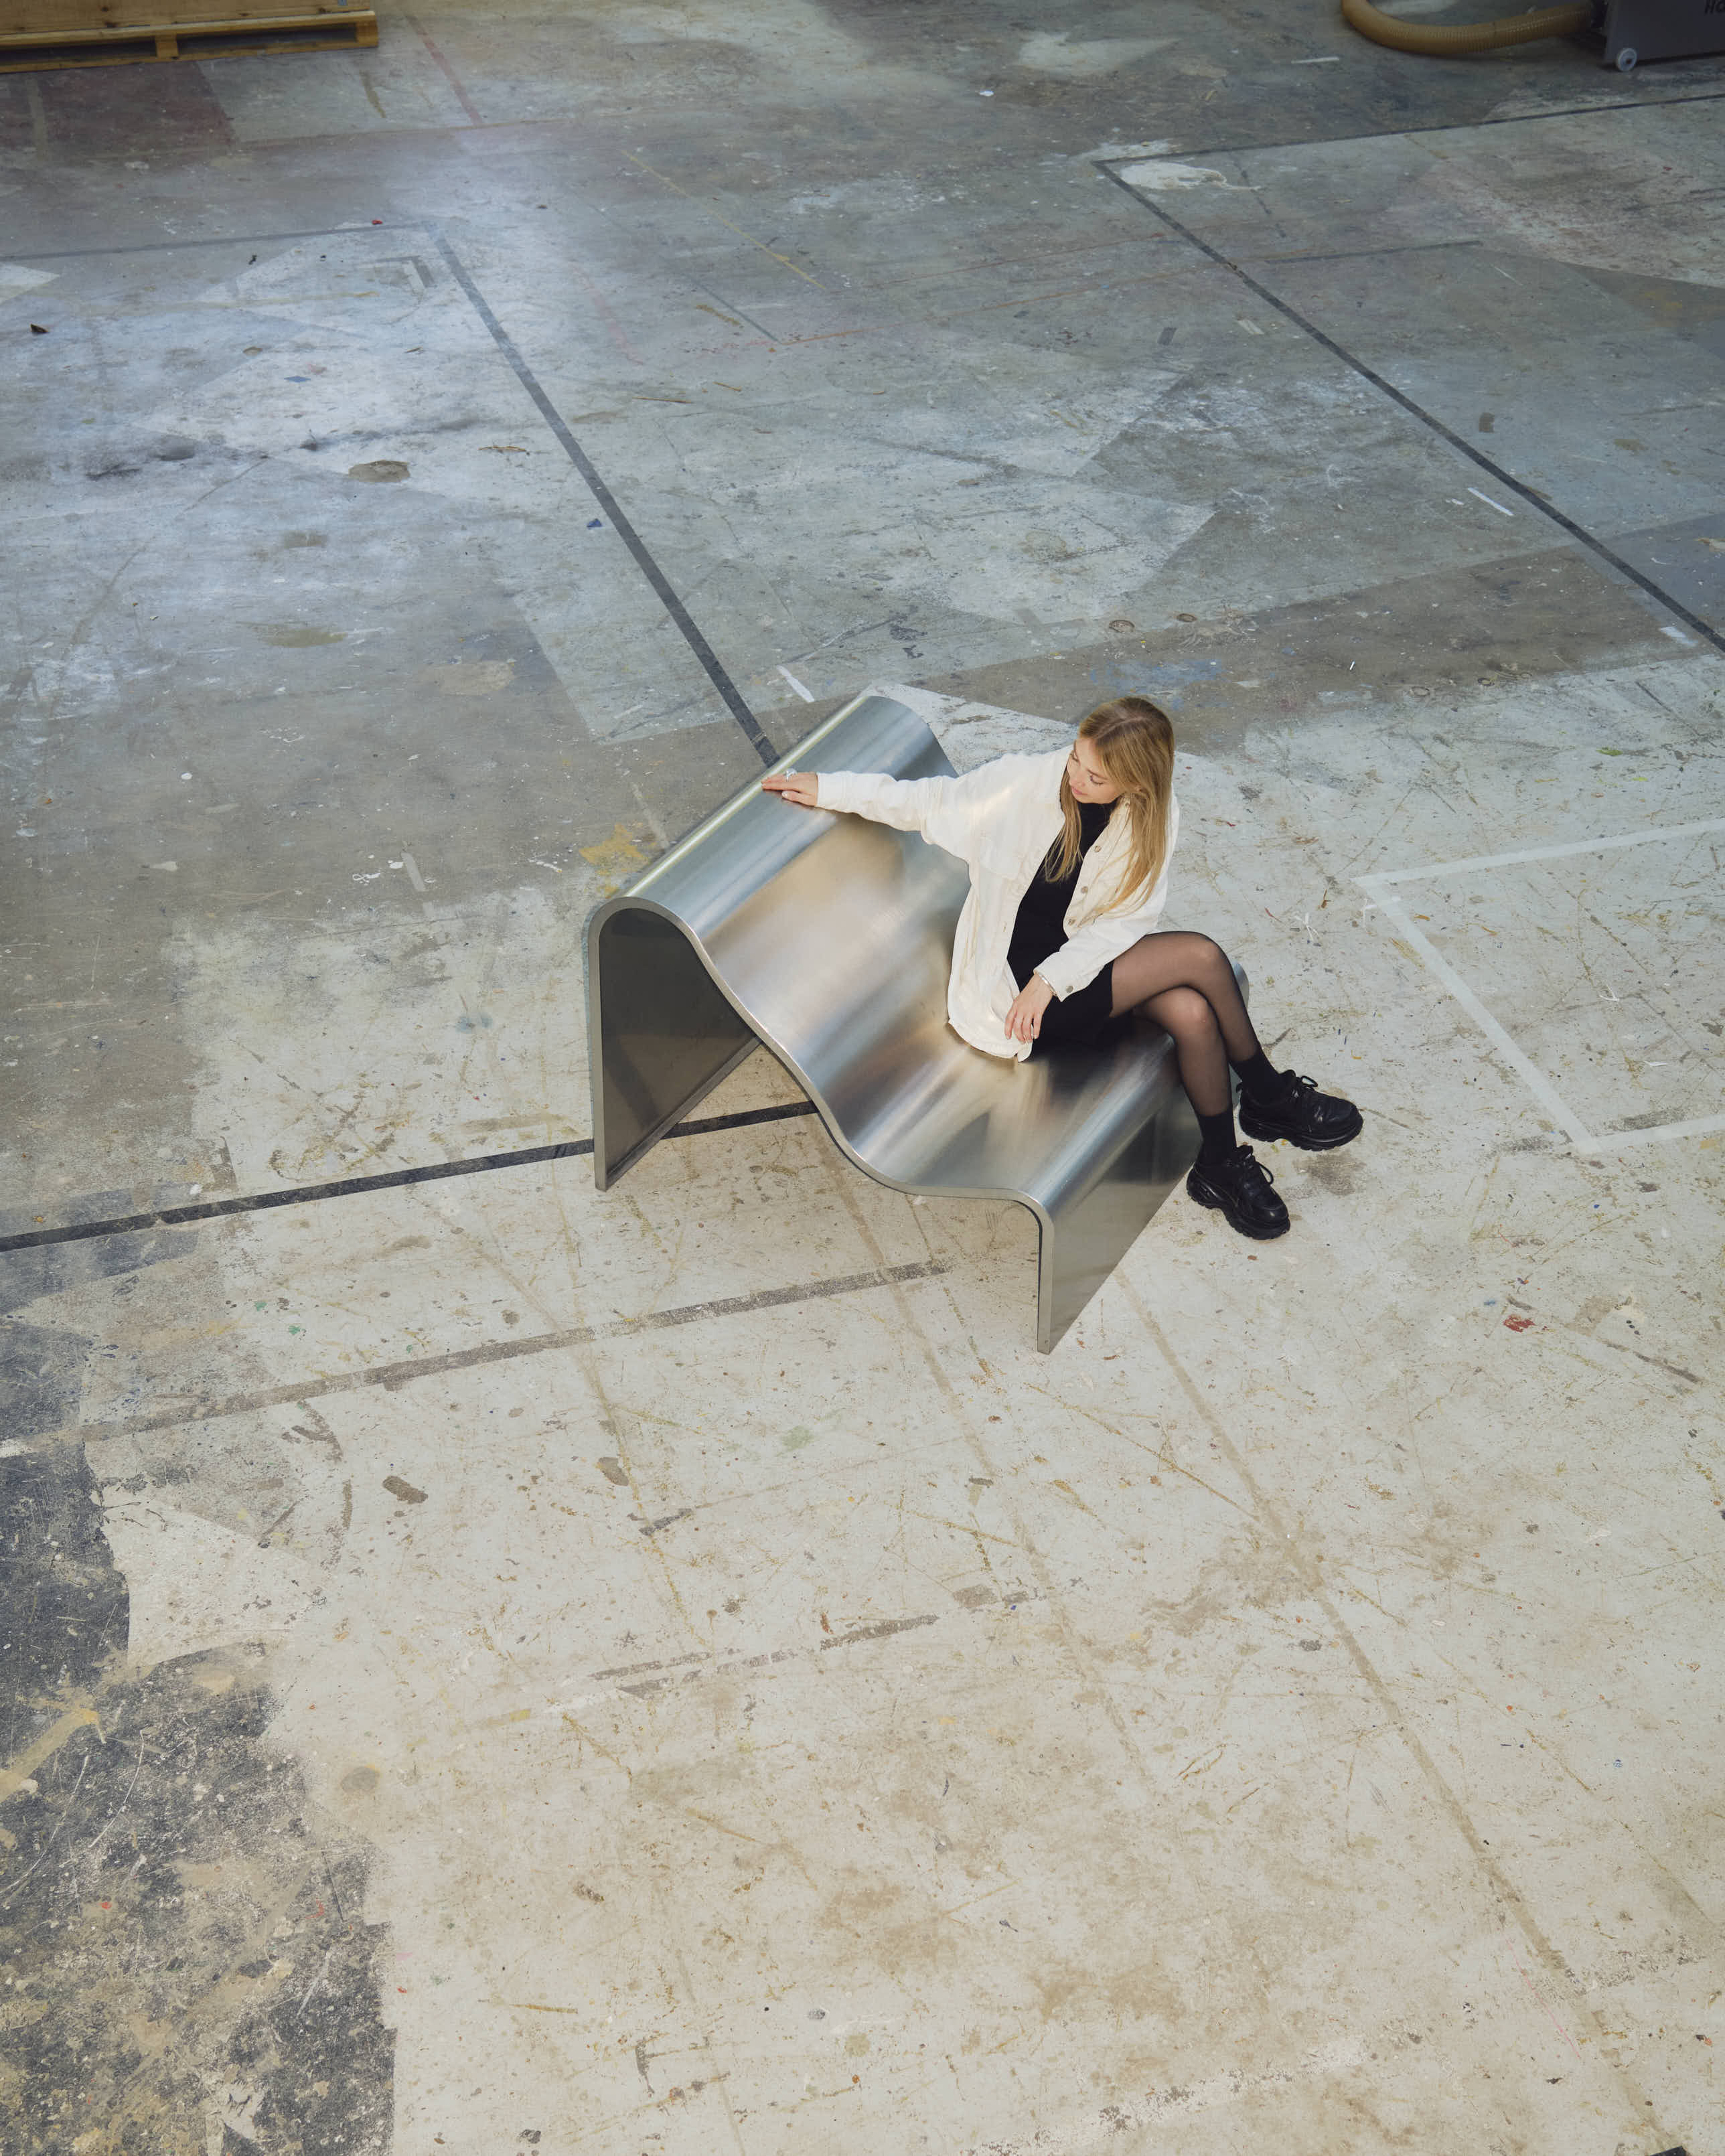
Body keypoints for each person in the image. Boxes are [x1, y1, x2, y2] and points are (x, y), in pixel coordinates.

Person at [761, 694, 1360, 1240]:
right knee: (1201, 958)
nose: (1074, 777)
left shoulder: (1155, 816)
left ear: (1138, 785)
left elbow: (1127, 922)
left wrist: (1056, 977)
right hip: (1016, 993)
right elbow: (927, 801)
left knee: (1192, 1009)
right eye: (1076, 758)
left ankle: (1220, 1162)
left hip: (1074, 970)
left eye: (1096, 776)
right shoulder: (1024, 783)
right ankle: (1266, 1095)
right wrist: (827, 788)